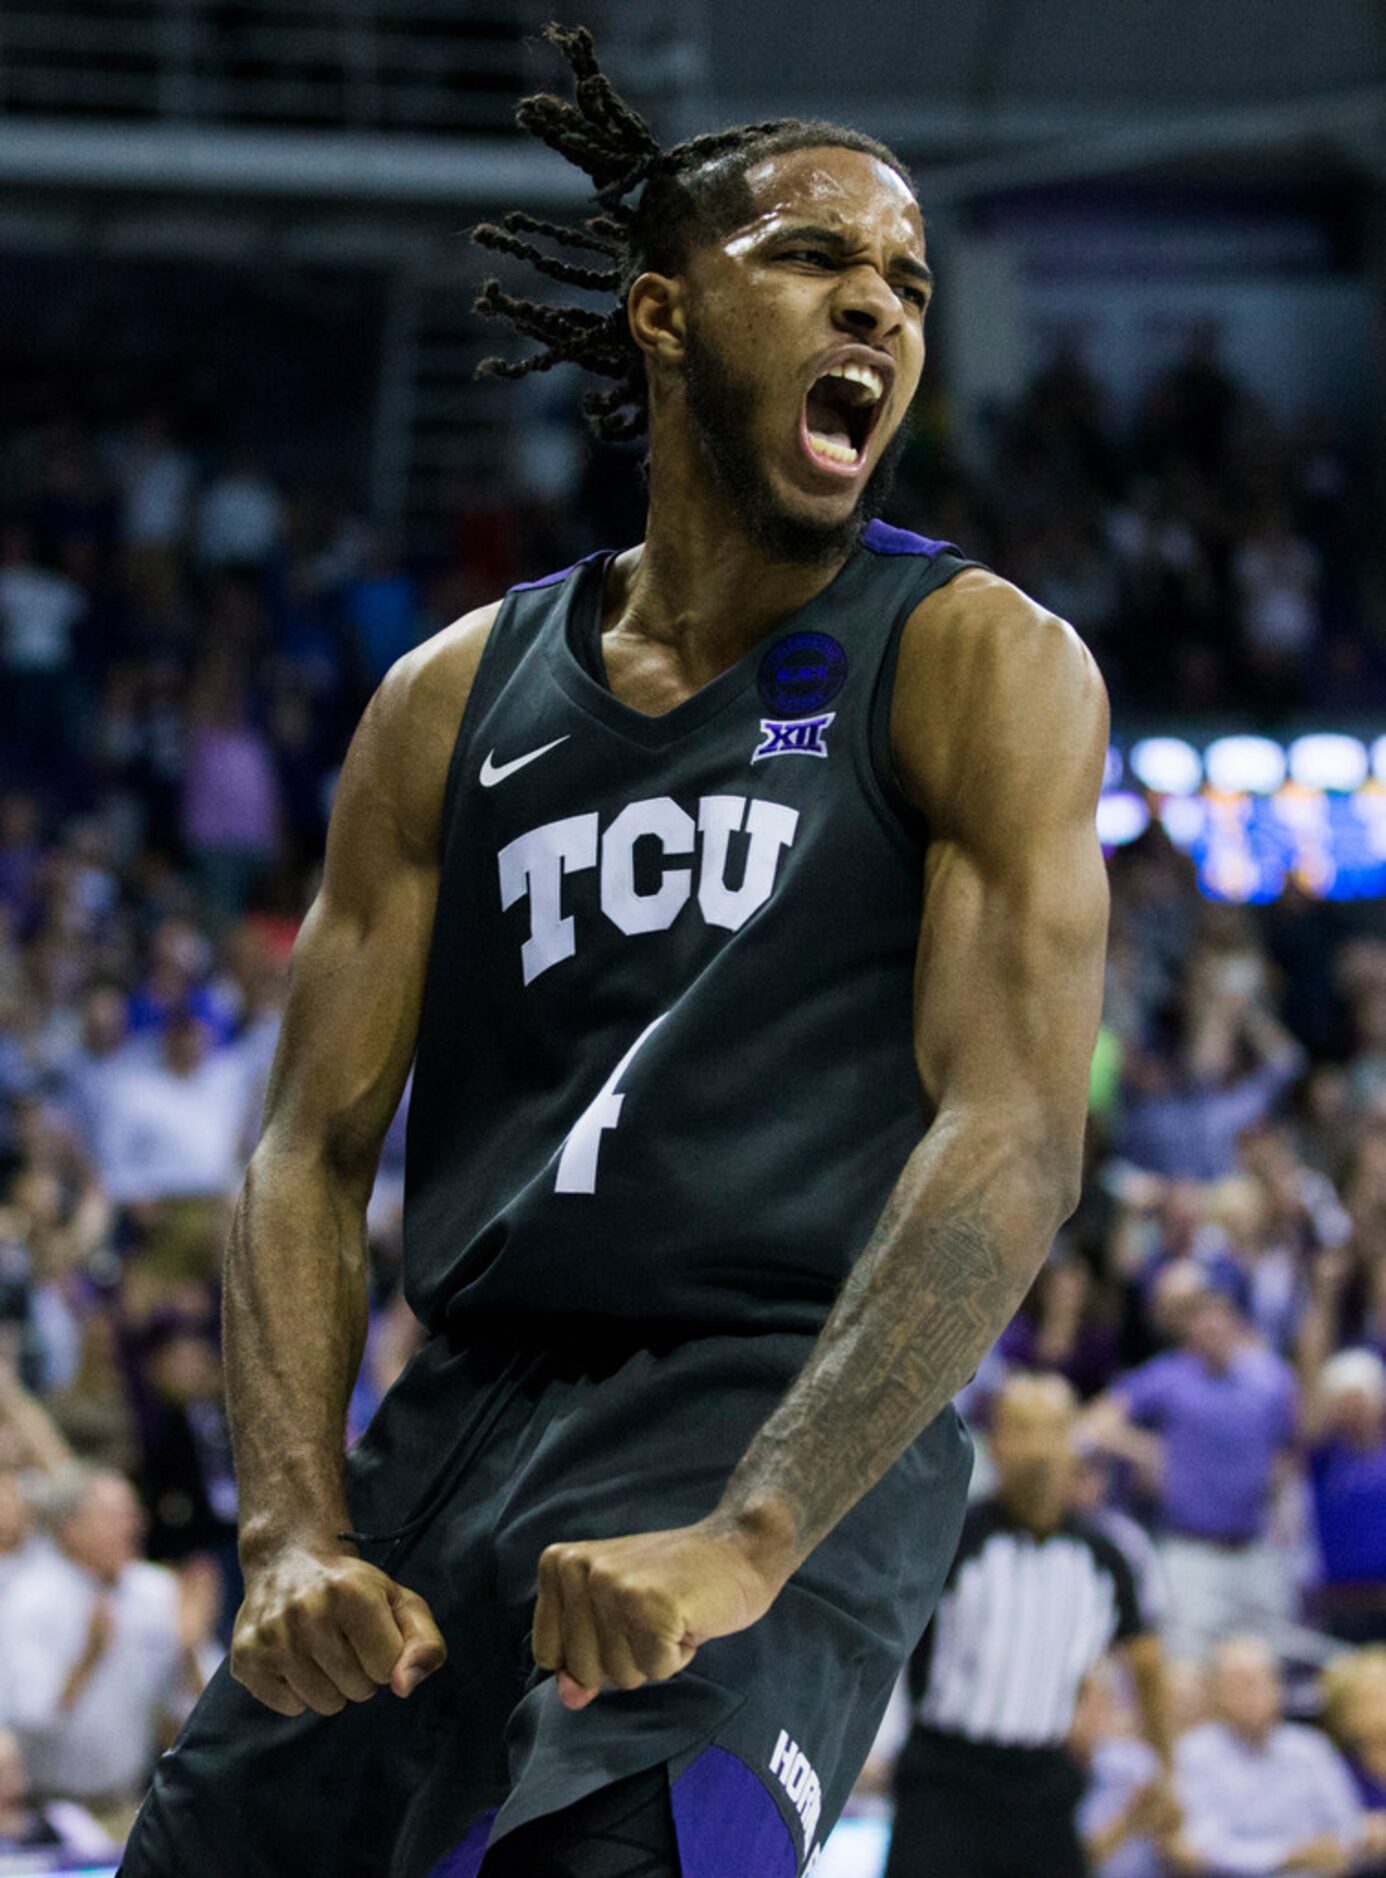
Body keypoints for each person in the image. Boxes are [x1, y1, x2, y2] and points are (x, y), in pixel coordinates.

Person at [118, 24, 1109, 1878]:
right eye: (812, 258)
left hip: (785, 1398)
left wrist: (751, 1534)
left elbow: (1013, 1135)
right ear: (661, 313)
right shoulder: (450, 699)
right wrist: (291, 1533)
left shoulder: (980, 658)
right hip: (462, 1409)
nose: (877, 307)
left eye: (903, 279)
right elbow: (307, 1150)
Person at [884, 1374, 1171, 1878]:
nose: (1039, 1449)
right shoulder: (953, 1538)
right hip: (945, 1782)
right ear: (994, 1442)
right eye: (1022, 1429)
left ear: (1074, 1441)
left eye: (1053, 1430)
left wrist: (1167, 1767)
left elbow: (1147, 1665)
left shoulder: (1106, 1559)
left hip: (1045, 1785)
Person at [1084, 1280, 1299, 1661]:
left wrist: (1278, 1493)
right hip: (1190, 1550)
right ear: (1191, 1331)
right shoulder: (1169, 1377)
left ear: (1236, 1324)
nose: (1213, 1331)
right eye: (1204, 1324)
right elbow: (1096, 1423)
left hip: (1255, 1548)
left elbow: (1290, 1446)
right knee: (1187, 1663)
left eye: (1221, 1322)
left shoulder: (1270, 1380)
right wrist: (1146, 1449)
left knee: (1266, 1666)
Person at [0, 1463, 210, 1839]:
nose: (134, 1525)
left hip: (133, 1800)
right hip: (51, 1812)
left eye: (133, 1512)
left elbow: (195, 1708)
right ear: (70, 1529)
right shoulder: (29, 1600)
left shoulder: (154, 1589)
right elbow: (29, 1718)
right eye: (114, 1516)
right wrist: (90, 1655)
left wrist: (188, 1646)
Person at [1173, 1636, 1363, 1876]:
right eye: (1240, 1683)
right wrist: (1287, 1856)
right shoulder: (1194, 1753)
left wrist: (1334, 1850)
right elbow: (1200, 1847)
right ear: (1216, 1693)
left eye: (1261, 1680)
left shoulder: (1310, 1748)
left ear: (1278, 1686)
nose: (1253, 1693)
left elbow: (1347, 1828)